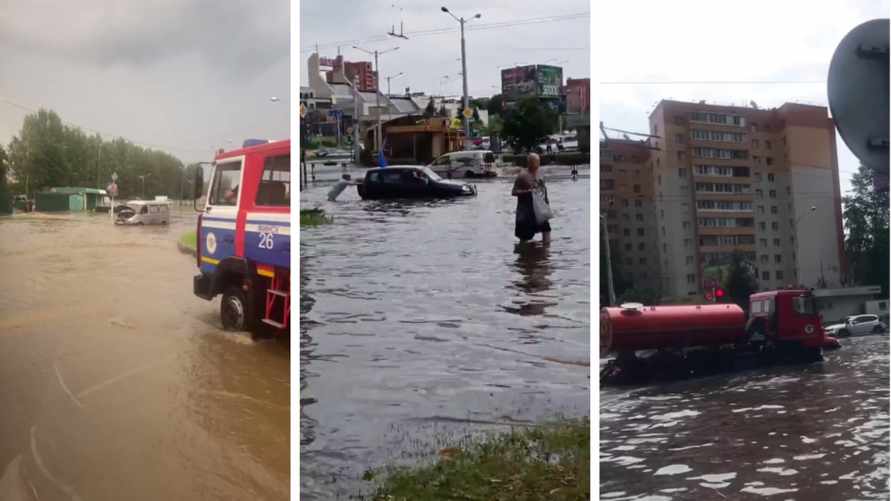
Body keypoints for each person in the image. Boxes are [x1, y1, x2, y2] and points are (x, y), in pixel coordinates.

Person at [512, 153, 551, 243]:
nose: (537, 164)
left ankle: (546, 254)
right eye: (534, 162)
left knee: (546, 230)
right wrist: (527, 192)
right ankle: (525, 255)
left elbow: (544, 189)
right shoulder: (522, 176)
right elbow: (513, 192)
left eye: (538, 162)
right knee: (524, 238)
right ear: (529, 163)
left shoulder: (540, 174)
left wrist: (547, 203)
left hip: (539, 210)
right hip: (525, 212)